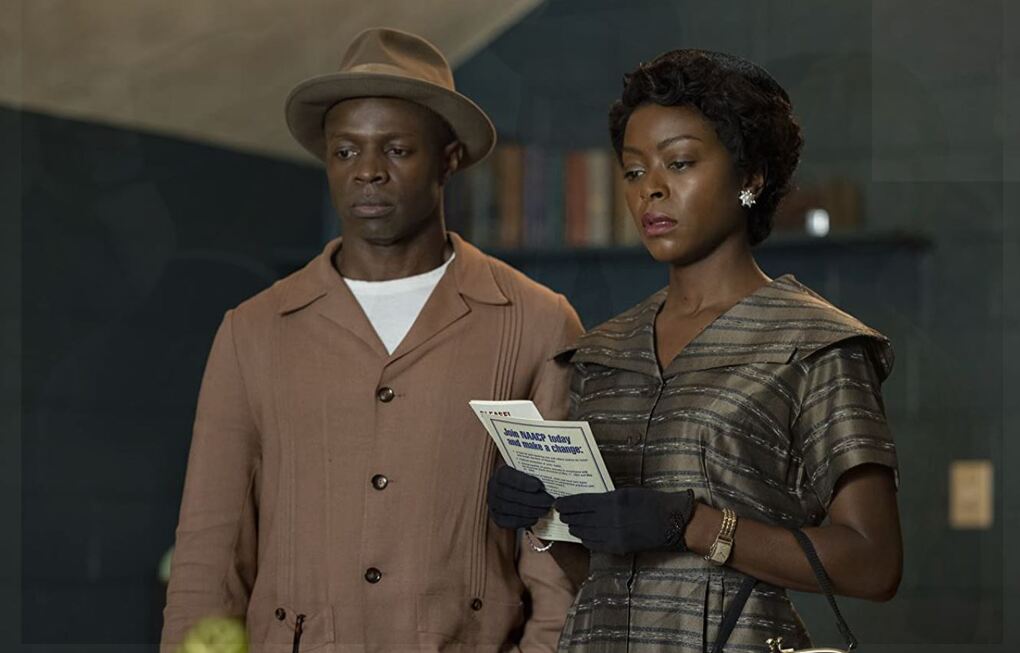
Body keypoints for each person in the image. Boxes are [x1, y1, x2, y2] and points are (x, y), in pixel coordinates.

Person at [161, 28, 583, 653]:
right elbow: (209, 550)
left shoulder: (538, 323)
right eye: (345, 151)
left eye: (397, 150)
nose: (368, 173)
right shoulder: (253, 330)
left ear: (448, 159)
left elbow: (561, 545)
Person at [486, 49, 902, 652]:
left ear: (750, 178)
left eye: (679, 163)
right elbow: (598, 577)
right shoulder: (603, 352)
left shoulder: (816, 346)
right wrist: (545, 520)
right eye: (633, 172)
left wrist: (693, 524)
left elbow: (874, 564)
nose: (651, 190)